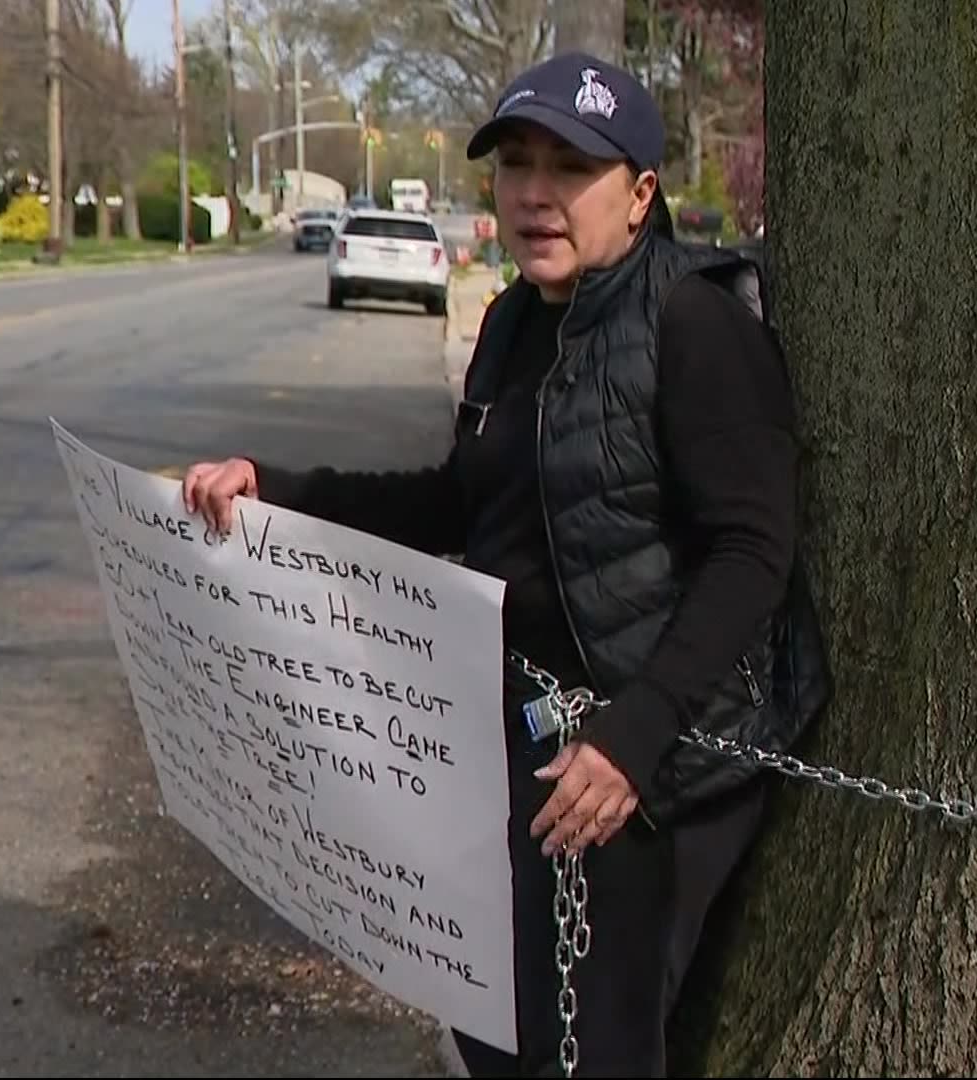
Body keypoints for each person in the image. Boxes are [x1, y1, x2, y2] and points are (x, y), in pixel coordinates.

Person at [179, 51, 831, 1078]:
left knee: (590, 1053)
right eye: (516, 163)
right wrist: (278, 490)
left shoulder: (694, 321)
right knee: (495, 1034)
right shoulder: (514, 323)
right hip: (527, 737)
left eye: (571, 168)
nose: (535, 193)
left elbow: (756, 552)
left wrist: (634, 740)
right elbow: (464, 501)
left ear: (642, 192)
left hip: (656, 761)